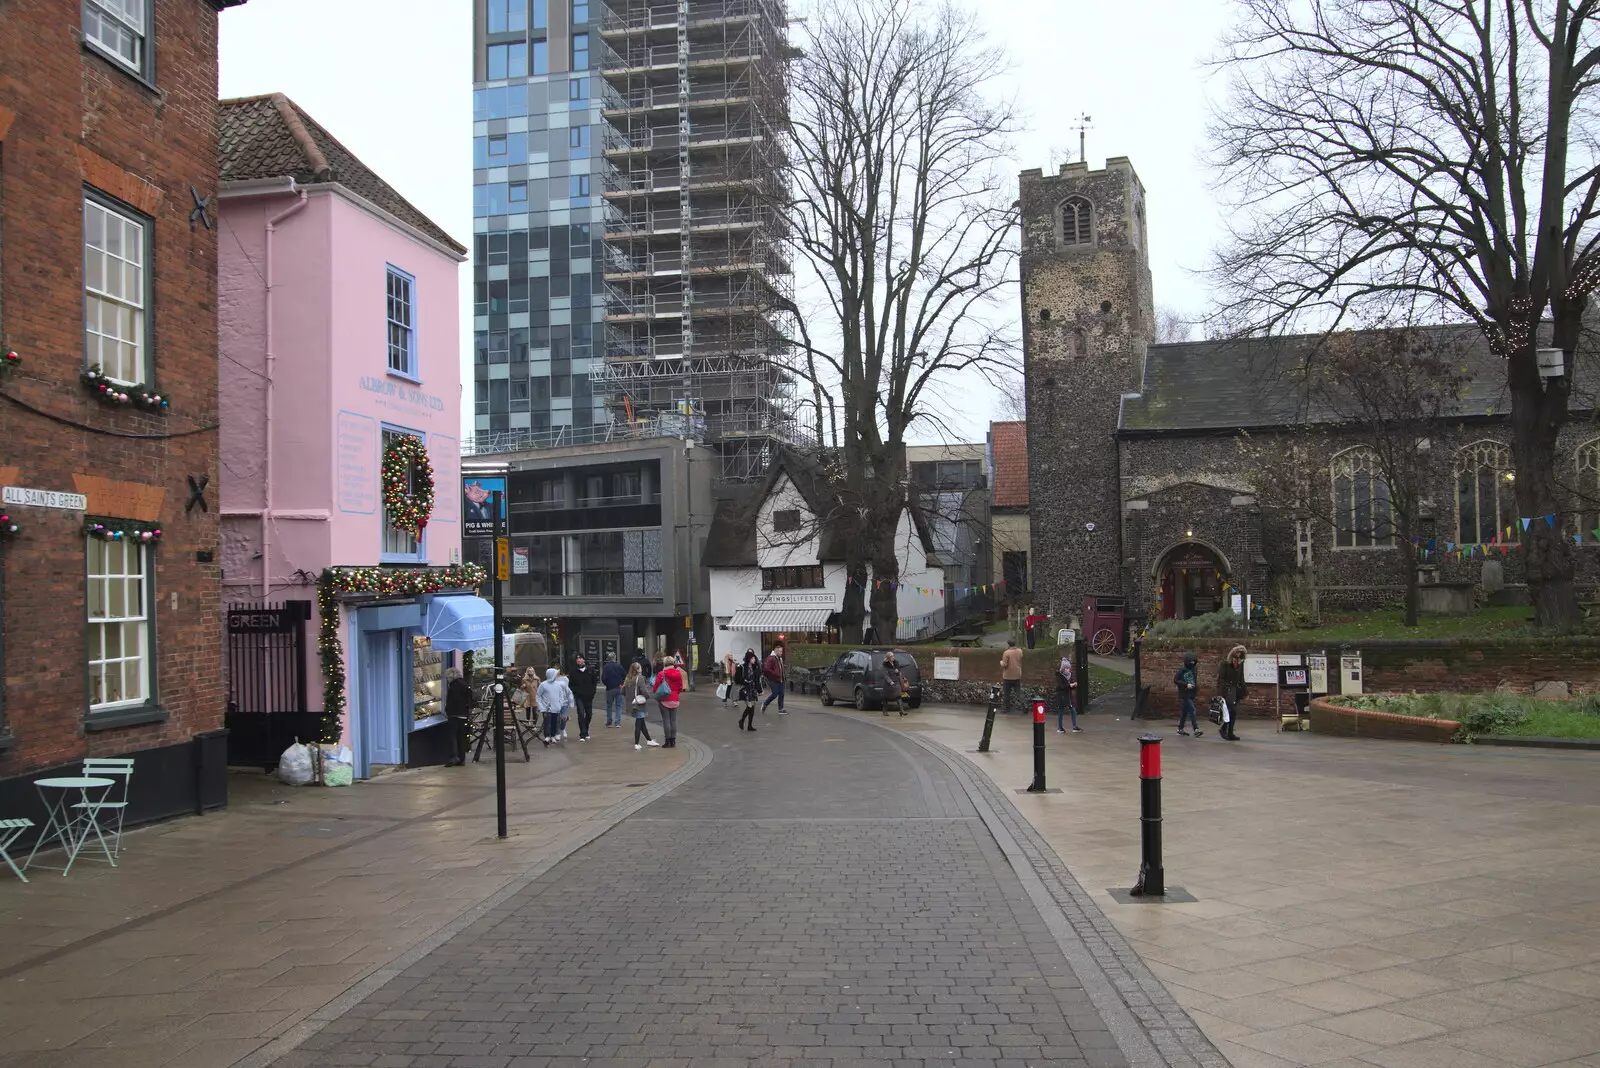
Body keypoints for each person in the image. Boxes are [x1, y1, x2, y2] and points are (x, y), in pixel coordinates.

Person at [1217, 644, 1248, 741]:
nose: (1239, 655)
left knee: (1233, 712)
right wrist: (1220, 694)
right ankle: (1223, 729)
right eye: (1238, 652)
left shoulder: (1240, 664)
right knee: (1230, 710)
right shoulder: (1225, 663)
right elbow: (1221, 679)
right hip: (1227, 690)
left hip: (1236, 691)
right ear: (1234, 653)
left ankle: (1230, 733)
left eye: (1241, 653)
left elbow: (1241, 679)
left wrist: (1245, 691)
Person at [444, 668, 475, 765]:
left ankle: (453, 758)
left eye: (448, 677)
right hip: (464, 714)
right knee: (461, 737)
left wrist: (447, 710)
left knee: (452, 736)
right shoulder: (464, 684)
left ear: (451, 677)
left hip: (454, 714)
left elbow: (451, 701)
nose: (447, 679)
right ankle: (462, 759)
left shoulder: (453, 686)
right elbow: (470, 699)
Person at [625, 662, 660, 749]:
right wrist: (647, 696)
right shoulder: (639, 678)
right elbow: (644, 691)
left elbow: (623, 691)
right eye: (640, 667)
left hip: (632, 704)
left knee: (641, 722)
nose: (641, 669)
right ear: (637, 669)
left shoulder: (628, 678)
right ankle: (636, 743)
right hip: (639, 704)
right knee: (639, 724)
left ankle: (649, 740)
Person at [656, 654, 686, 747]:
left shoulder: (662, 674)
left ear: (664, 663)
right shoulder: (678, 673)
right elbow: (680, 687)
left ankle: (667, 741)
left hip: (664, 699)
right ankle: (673, 741)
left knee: (666, 720)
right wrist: (675, 694)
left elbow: (655, 687)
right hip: (675, 699)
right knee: (673, 721)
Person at [536, 667, 572, 746]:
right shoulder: (543, 685)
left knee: (554, 722)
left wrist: (560, 704)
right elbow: (538, 696)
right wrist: (541, 707)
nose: (556, 676)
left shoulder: (558, 685)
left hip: (556, 708)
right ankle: (547, 736)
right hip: (546, 708)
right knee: (547, 722)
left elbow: (561, 695)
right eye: (555, 674)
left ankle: (552, 736)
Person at [568, 655, 598, 741]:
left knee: (589, 714)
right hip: (579, 697)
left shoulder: (590, 670)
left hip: (589, 696)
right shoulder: (573, 672)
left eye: (580, 658)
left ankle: (586, 728)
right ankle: (583, 733)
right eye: (577, 659)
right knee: (581, 713)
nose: (579, 660)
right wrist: (576, 692)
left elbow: (594, 682)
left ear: (584, 660)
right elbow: (571, 685)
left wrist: (592, 692)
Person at [1175, 653, 1202, 737]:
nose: (1192, 664)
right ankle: (1196, 729)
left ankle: (1180, 729)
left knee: (1184, 712)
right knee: (1192, 710)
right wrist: (1186, 684)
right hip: (1185, 693)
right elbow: (1176, 680)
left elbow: (1194, 680)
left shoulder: (1194, 670)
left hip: (1192, 693)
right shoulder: (1181, 670)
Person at [737, 648, 762, 731]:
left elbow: (757, 679)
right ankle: (742, 720)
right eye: (752, 658)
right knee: (749, 706)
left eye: (754, 658)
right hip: (746, 689)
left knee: (753, 708)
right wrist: (744, 681)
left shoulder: (755, 667)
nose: (754, 659)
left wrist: (759, 690)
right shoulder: (742, 667)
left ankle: (749, 725)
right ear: (749, 659)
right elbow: (737, 678)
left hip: (753, 689)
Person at [1055, 654, 1080, 733]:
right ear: (1063, 669)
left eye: (1068, 668)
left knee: (1073, 710)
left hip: (1069, 696)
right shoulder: (1059, 676)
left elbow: (1070, 685)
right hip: (1061, 696)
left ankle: (1075, 726)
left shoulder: (1070, 675)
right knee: (1061, 711)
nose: (1068, 670)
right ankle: (1060, 727)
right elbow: (1060, 687)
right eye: (1066, 668)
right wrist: (1069, 685)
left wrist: (1074, 685)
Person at [601, 654, 627, 728]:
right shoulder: (619, 666)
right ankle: (617, 722)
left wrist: (607, 684)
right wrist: (621, 683)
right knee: (619, 705)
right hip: (619, 687)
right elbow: (625, 675)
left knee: (609, 705)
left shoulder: (606, 667)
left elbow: (603, 678)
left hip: (610, 688)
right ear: (615, 659)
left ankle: (609, 722)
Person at [761, 643, 787, 715]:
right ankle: (765, 704)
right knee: (775, 694)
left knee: (781, 694)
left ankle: (781, 709)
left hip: (781, 679)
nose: (781, 653)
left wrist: (783, 676)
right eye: (780, 651)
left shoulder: (780, 658)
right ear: (776, 651)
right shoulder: (771, 658)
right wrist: (775, 674)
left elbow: (780, 668)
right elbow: (766, 669)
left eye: (782, 651)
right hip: (774, 680)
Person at [999, 639, 1024, 714]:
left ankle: (1006, 708)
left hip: (1008, 676)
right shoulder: (1020, 651)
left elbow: (1005, 664)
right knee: (1018, 692)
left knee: (1007, 693)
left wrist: (1001, 662)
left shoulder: (1006, 653)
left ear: (1009, 645)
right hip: (1017, 674)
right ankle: (1025, 705)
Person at [882, 650, 907, 717]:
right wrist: (890, 682)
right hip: (888, 684)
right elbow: (886, 675)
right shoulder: (885, 665)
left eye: (893, 655)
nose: (893, 657)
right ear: (888, 657)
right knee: (886, 697)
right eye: (891, 656)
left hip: (896, 682)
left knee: (898, 696)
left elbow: (899, 673)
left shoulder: (896, 663)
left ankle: (901, 710)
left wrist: (897, 671)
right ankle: (885, 710)